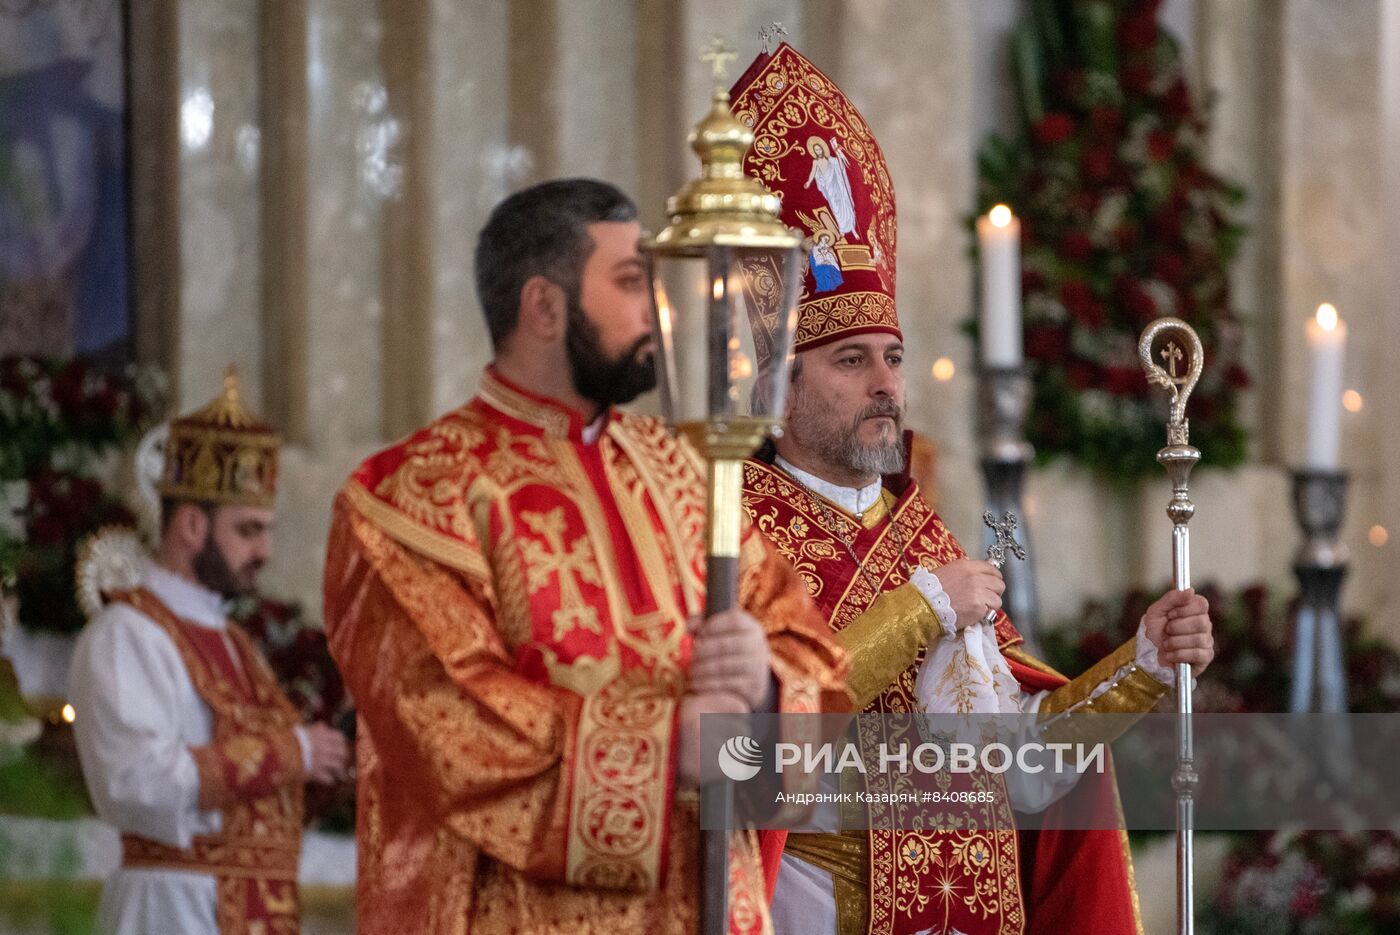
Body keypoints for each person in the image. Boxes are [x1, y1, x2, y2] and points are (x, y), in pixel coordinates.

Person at [728, 42, 1215, 935]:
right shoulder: (733, 535)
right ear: (777, 389)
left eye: (894, 358)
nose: (886, 383)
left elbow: (1020, 765)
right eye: (850, 360)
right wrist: (921, 607)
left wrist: (1141, 663)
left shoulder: (924, 538)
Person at [321, 178, 848, 935]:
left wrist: (765, 684)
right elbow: (453, 726)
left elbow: (813, 655)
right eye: (632, 283)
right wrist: (670, 746)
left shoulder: (687, 472)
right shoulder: (410, 498)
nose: (655, 310)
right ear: (544, 306)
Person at [69, 369, 350, 935]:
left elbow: (263, 797)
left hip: (255, 907)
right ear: (191, 525)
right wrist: (291, 751)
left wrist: (335, 754)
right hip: (172, 908)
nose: (265, 551)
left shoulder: (238, 644)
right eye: (248, 530)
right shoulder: (127, 634)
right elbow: (136, 782)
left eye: (267, 530)